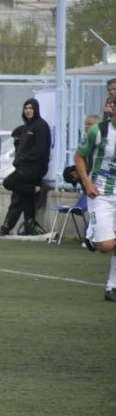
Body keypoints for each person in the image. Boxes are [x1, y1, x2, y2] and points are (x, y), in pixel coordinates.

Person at [75, 111, 116, 300]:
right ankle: (91, 235)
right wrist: (87, 183)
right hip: (100, 192)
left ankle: (112, 287)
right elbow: (79, 157)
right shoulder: (98, 131)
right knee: (106, 245)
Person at [0, 99, 51, 237]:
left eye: (30, 108)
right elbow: (22, 147)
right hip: (24, 166)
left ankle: (36, 189)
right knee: (25, 198)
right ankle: (29, 226)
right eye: (25, 108)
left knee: (8, 183)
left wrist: (24, 159)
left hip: (34, 168)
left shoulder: (41, 126)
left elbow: (41, 149)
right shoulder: (27, 126)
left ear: (36, 109)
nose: (27, 110)